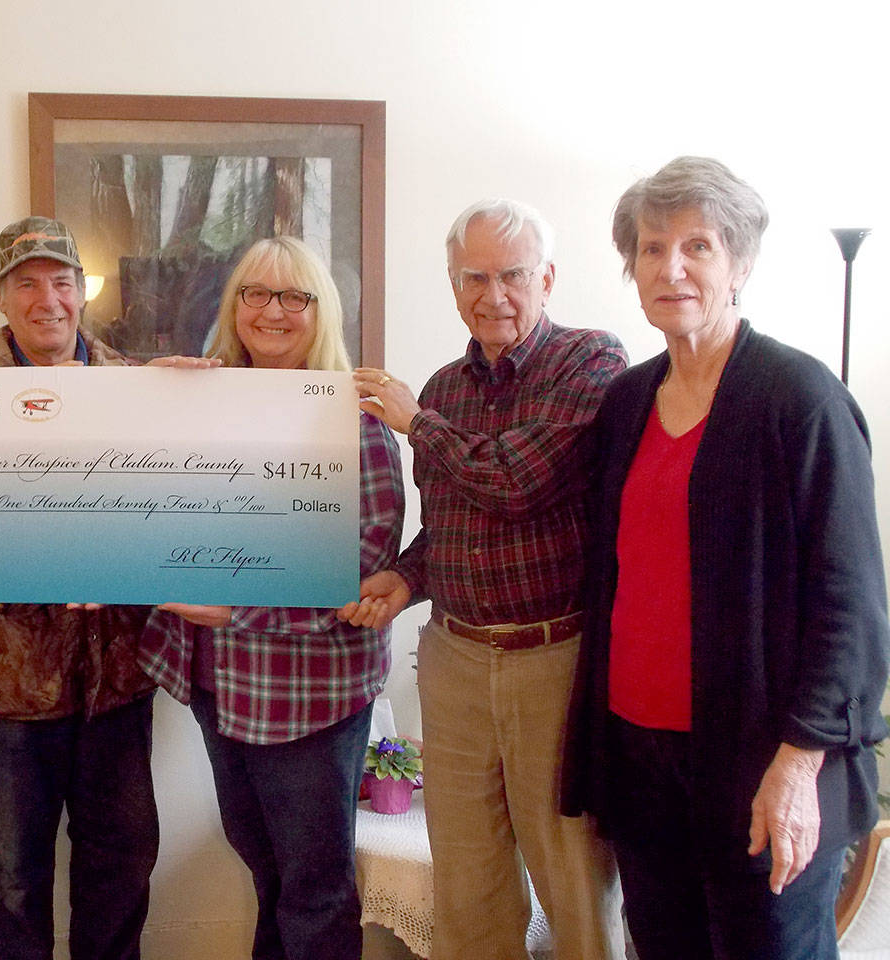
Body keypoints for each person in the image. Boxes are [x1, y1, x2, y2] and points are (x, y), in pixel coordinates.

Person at [560, 156, 890, 960]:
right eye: (649, 248)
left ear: (739, 263)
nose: (669, 267)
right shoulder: (628, 401)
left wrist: (801, 762)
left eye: (697, 246)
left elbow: (851, 603)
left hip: (762, 759)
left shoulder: (799, 399)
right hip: (640, 752)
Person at [348, 201, 627, 960]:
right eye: (475, 276)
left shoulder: (591, 361)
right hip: (455, 659)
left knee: (573, 879)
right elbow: (454, 527)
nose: (494, 294)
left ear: (547, 278)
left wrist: (416, 424)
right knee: (468, 889)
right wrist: (405, 579)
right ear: (452, 283)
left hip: (555, 659)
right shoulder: (444, 387)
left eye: (512, 275)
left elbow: (518, 482)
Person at [0, 215, 205, 960]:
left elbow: (185, 499)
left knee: (121, 863)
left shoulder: (142, 387)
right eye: (27, 284)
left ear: (82, 293)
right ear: (1, 297)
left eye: (61, 282)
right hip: (3, 686)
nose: (46, 300)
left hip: (114, 678)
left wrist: (200, 402)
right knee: (15, 876)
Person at [138, 235, 405, 960]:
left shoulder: (357, 420)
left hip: (309, 696)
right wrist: (145, 395)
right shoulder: (197, 403)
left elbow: (361, 571)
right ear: (235, 306)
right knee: (268, 873)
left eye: (295, 296)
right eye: (256, 293)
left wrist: (239, 611)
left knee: (313, 892)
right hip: (218, 684)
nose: (273, 311)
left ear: (323, 313)